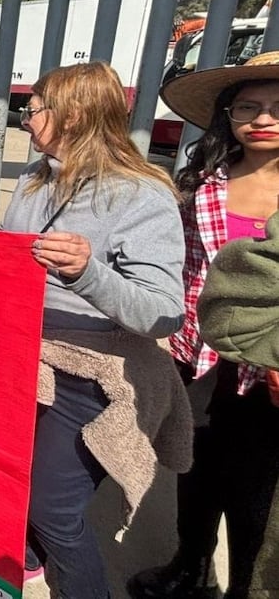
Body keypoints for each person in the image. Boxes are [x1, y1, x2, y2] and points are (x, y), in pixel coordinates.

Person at [1, 62, 192, 598]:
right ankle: (29, 562)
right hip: (24, 357)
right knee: (14, 481)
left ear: (75, 114)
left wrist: (89, 274)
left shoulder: (142, 195)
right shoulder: (35, 177)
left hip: (93, 376)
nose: (26, 119)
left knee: (54, 510)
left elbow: (163, 311)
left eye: (34, 108)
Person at [128, 51, 279, 599]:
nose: (263, 119)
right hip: (201, 361)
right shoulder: (200, 186)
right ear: (228, 116)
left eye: (278, 109)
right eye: (249, 107)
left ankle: (246, 589)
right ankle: (189, 569)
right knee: (195, 476)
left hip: (272, 378)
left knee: (257, 499)